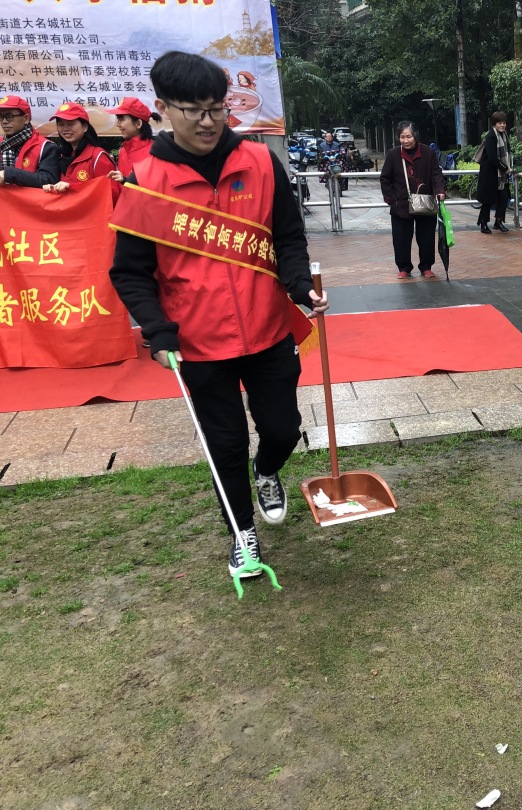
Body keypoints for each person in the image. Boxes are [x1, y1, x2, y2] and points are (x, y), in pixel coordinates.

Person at [108, 50, 328, 580]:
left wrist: (299, 285)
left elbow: (288, 237)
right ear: (162, 107)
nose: (209, 122)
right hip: (199, 343)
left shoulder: (257, 161)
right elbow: (130, 272)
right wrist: (158, 332)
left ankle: (268, 469)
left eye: (217, 108)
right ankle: (242, 533)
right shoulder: (144, 180)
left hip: (269, 329)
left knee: (282, 428)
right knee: (224, 444)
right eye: (194, 110)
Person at [379, 121, 446, 279]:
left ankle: (426, 266)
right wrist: (392, 199)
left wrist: (439, 191)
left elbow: (436, 174)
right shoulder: (393, 154)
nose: (405, 140)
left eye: (408, 136)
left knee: (426, 236)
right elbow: (385, 179)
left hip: (425, 201)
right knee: (401, 237)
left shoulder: (428, 152)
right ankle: (404, 267)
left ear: (415, 136)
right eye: (402, 137)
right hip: (401, 203)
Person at [0, 95, 60, 188]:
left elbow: (49, 180)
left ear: (26, 118)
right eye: (1, 116)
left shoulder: (46, 147)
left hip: (30, 202)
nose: (4, 121)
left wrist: (9, 174)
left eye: (9, 116)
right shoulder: (1, 144)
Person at [106, 97, 161, 182]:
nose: (118, 124)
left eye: (121, 119)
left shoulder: (154, 153)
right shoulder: (123, 151)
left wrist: (126, 181)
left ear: (138, 123)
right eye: (118, 119)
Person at [475, 111, 513, 234]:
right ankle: (483, 223)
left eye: (504, 123)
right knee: (487, 200)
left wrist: (506, 167)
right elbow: (492, 158)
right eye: (499, 123)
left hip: (501, 175)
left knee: (504, 197)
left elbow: (507, 153)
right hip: (490, 174)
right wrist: (504, 167)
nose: (502, 125)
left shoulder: (504, 135)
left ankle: (498, 221)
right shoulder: (491, 136)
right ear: (494, 124)